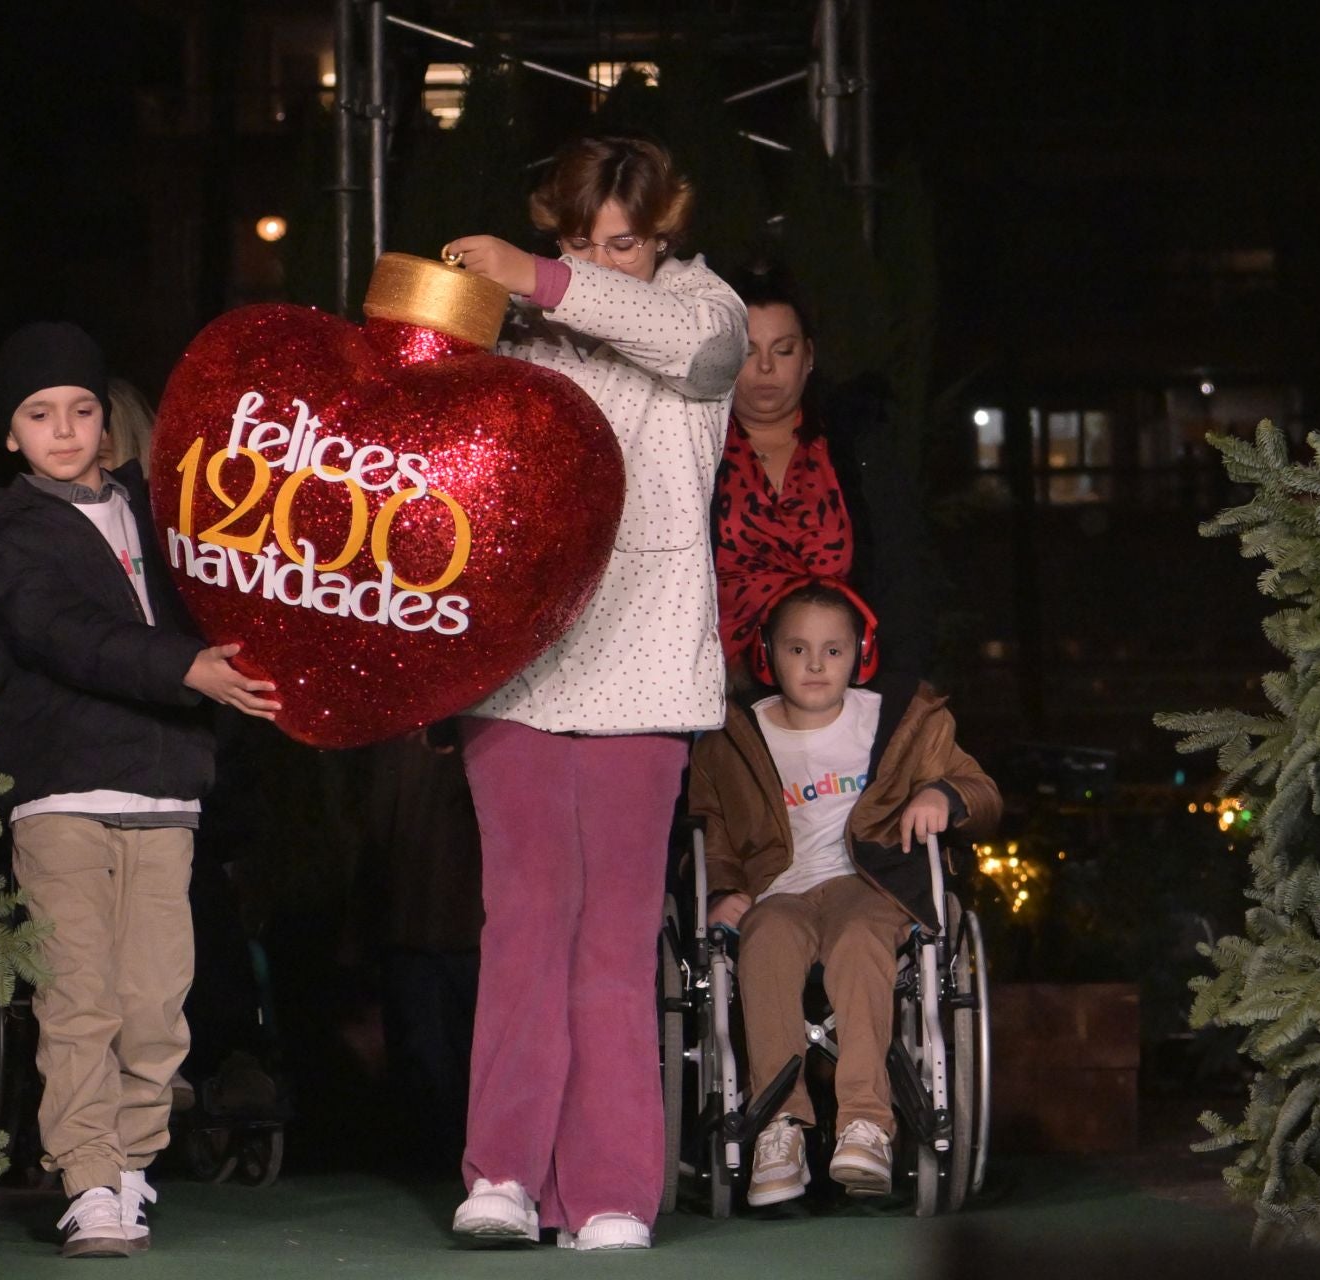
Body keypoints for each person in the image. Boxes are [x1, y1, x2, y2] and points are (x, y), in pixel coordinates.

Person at [437, 133, 746, 1250]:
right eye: (575, 241)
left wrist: (533, 273)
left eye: (620, 241)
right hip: (519, 665)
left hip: (649, 663)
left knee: (614, 940)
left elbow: (687, 348)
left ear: (663, 233)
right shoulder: (518, 331)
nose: (598, 262)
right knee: (524, 922)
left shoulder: (708, 307)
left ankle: (611, 1190)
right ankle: (504, 1177)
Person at [0, 321, 279, 1258]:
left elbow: (244, 563)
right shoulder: (6, 534)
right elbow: (65, 635)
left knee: (157, 1000)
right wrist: (189, 672)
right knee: (79, 998)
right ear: (12, 434)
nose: (64, 429)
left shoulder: (160, 511)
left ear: (105, 419)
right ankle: (87, 1178)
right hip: (61, 794)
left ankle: (132, 1165)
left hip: (164, 791)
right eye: (40, 415)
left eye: (81, 410)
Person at [685, 580, 999, 1205]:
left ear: (860, 653)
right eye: (797, 649)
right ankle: (781, 1127)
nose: (816, 665)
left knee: (859, 940)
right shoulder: (735, 739)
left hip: (870, 885)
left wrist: (945, 794)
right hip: (781, 891)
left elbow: (981, 789)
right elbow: (711, 827)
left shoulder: (900, 722)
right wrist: (721, 889)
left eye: (833, 650)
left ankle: (865, 1122)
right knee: (766, 942)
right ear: (768, 655)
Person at [713, 268, 929, 683]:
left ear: (809, 356)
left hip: (840, 690)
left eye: (784, 350)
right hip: (718, 695)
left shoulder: (855, 445)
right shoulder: (691, 448)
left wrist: (900, 683)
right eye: (747, 350)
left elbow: (904, 575)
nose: (765, 367)